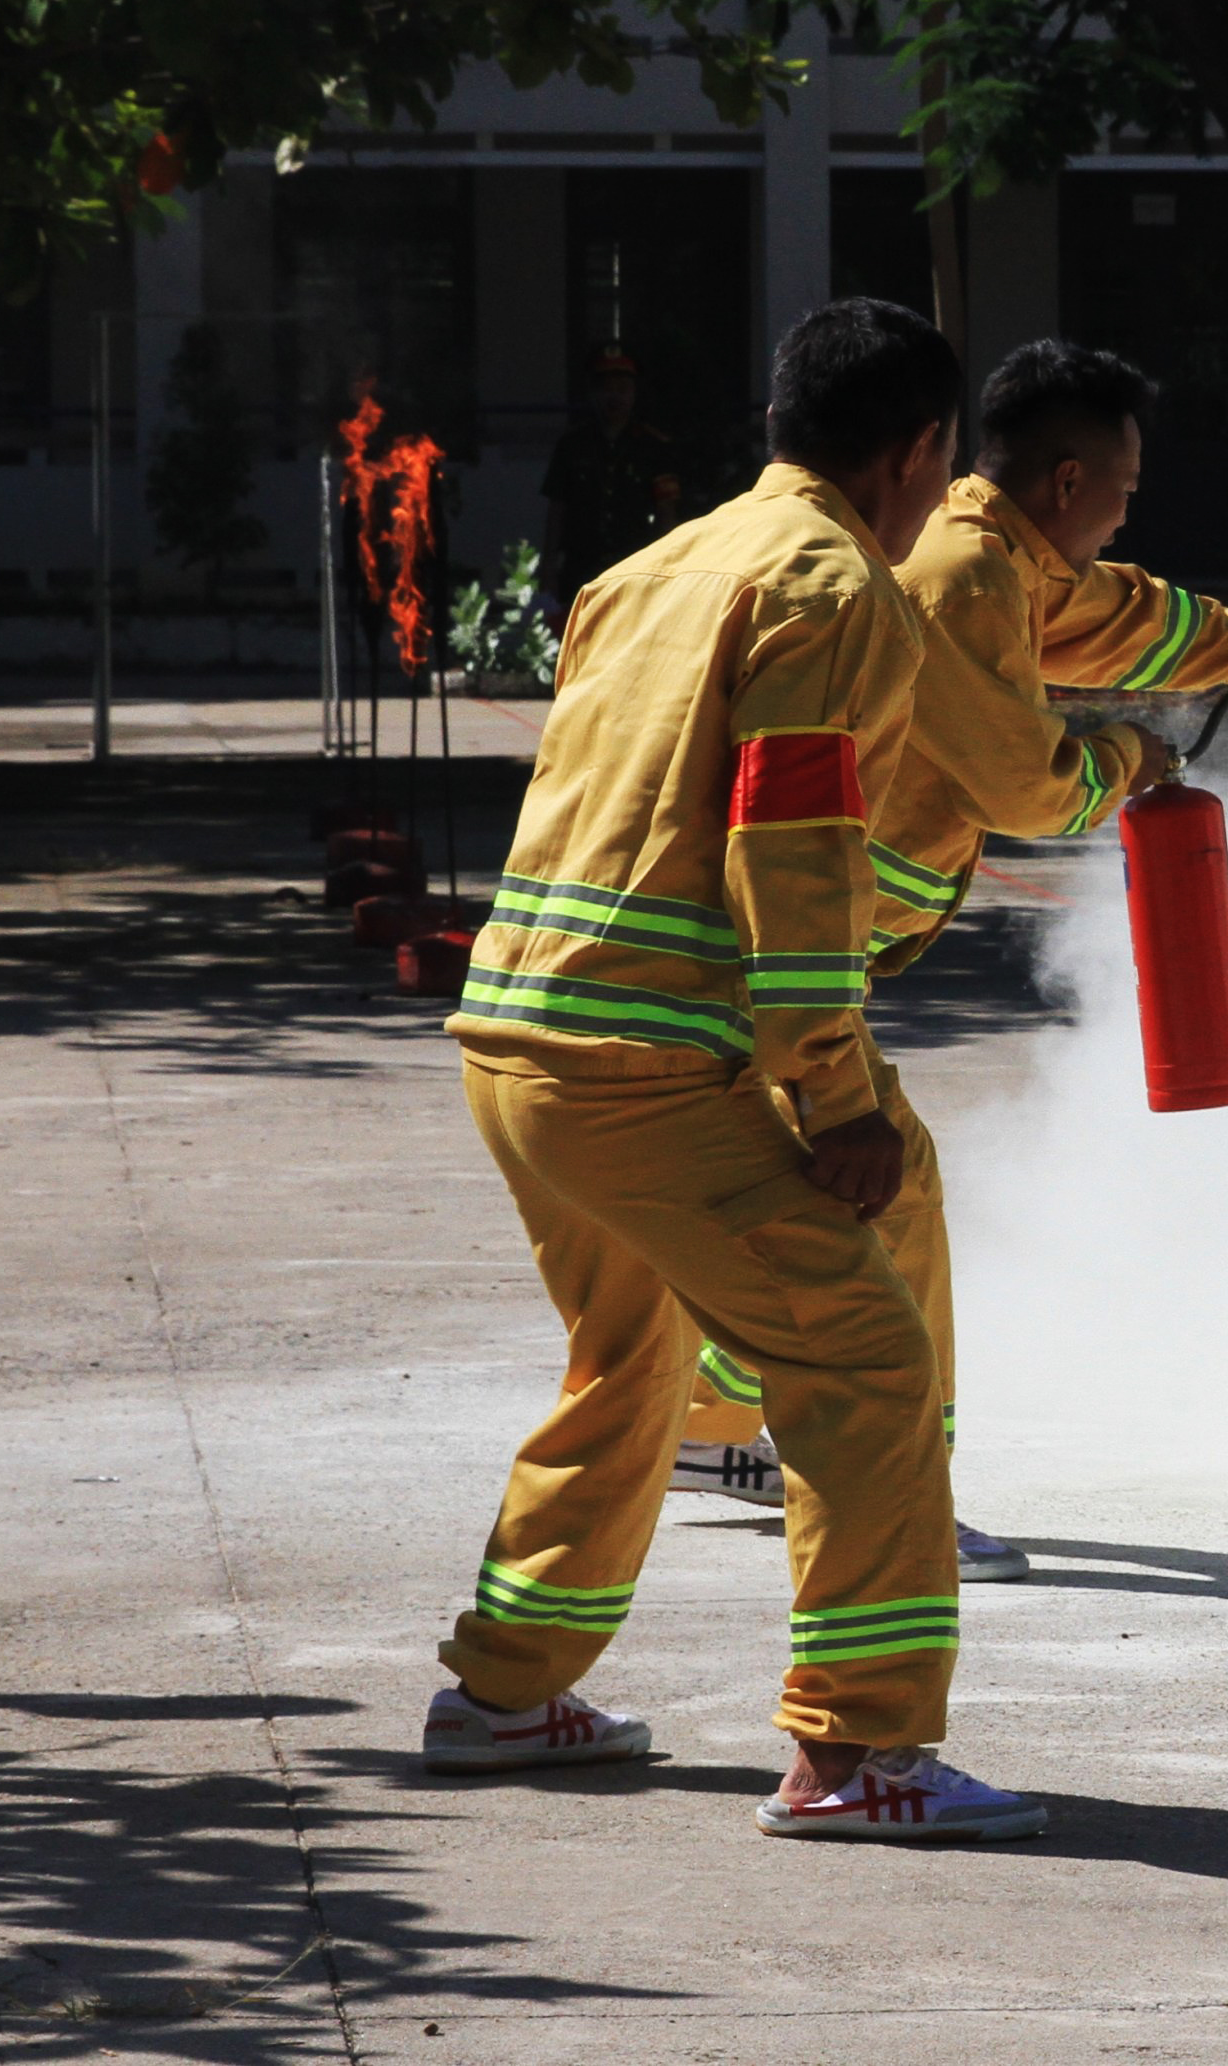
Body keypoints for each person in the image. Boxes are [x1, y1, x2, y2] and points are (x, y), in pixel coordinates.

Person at [431, 296, 1045, 1842]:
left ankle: (504, 1690)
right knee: (861, 1359)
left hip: (513, 1036)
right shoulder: (836, 586)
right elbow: (795, 853)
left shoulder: (646, 566)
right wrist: (832, 1096)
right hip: (644, 1064)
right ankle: (857, 1755)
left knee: (625, 1357)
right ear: (919, 450)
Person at [663, 338, 1228, 1572]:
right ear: (1073, 478)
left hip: (801, 952)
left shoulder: (1007, 565)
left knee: (794, 1197)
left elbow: (1134, 624)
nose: (1130, 512)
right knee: (896, 1193)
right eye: (1129, 489)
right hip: (783, 953)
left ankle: (728, 1424)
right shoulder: (963, 574)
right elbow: (1024, 781)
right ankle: (898, 1488)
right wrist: (1130, 762)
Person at [538, 341, 688, 616]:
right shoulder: (572, 445)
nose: (614, 398)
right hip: (581, 569)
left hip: (634, 565)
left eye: (622, 389)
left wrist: (670, 570)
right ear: (593, 393)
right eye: (606, 389)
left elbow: (666, 513)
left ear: (634, 393)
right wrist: (548, 571)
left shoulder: (654, 447)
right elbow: (556, 511)